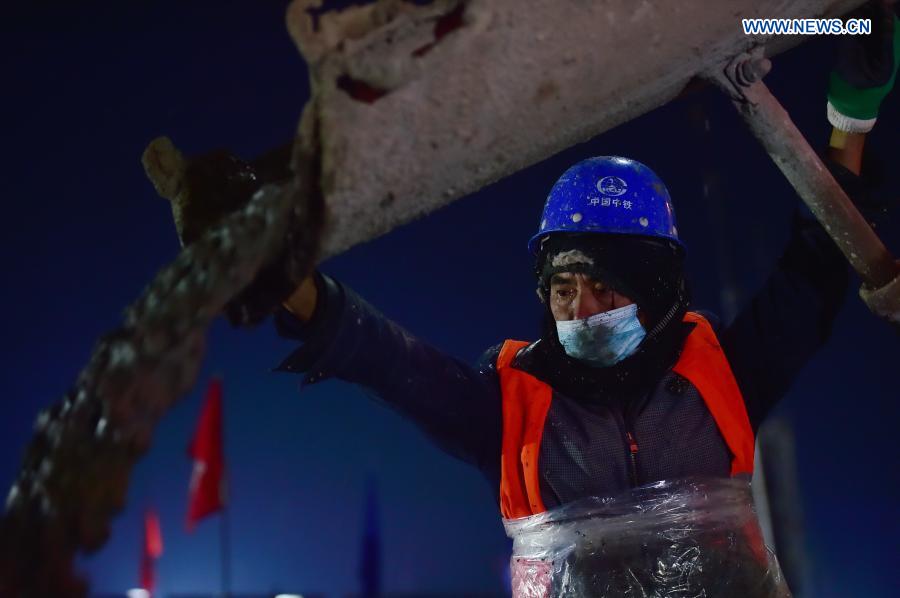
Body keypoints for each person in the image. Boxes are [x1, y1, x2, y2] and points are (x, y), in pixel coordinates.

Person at [171, 4, 898, 595]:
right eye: (563, 289)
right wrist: (280, 275)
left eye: (605, 286)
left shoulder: (721, 378)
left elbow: (815, 270)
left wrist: (852, 116)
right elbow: (385, 359)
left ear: (656, 291)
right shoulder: (511, 408)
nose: (581, 310)